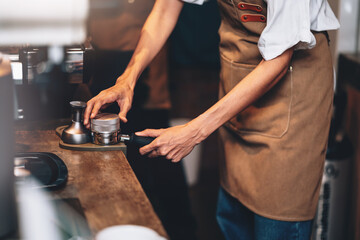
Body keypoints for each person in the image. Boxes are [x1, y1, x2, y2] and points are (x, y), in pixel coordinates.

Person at [84, 0, 340, 239]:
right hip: (238, 85)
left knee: (275, 219)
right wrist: (127, 79)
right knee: (233, 213)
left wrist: (195, 131)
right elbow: (166, 7)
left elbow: (279, 59)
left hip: (290, 93)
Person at [86, 1, 197, 240]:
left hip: (143, 63)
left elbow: (163, 10)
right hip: (103, 62)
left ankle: (181, 231)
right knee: (111, 162)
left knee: (158, 158)